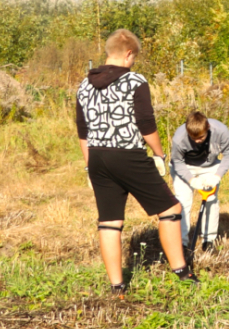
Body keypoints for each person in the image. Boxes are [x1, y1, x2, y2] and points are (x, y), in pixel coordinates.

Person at [76, 29, 196, 296]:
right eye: (134, 57)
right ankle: (182, 272)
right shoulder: (135, 81)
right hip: (128, 154)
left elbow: (82, 130)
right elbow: (145, 124)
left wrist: (88, 165)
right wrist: (159, 154)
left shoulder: (84, 84)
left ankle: (117, 286)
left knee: (109, 221)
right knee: (171, 209)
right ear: (128, 53)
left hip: (97, 156)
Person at [168, 111, 229, 252]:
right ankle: (182, 243)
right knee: (183, 203)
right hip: (184, 167)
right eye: (193, 138)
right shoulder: (179, 138)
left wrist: (217, 176)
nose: (197, 141)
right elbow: (177, 161)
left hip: (210, 167)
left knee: (211, 200)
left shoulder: (220, 130)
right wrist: (192, 180)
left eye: (201, 137)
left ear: (208, 128)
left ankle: (208, 240)